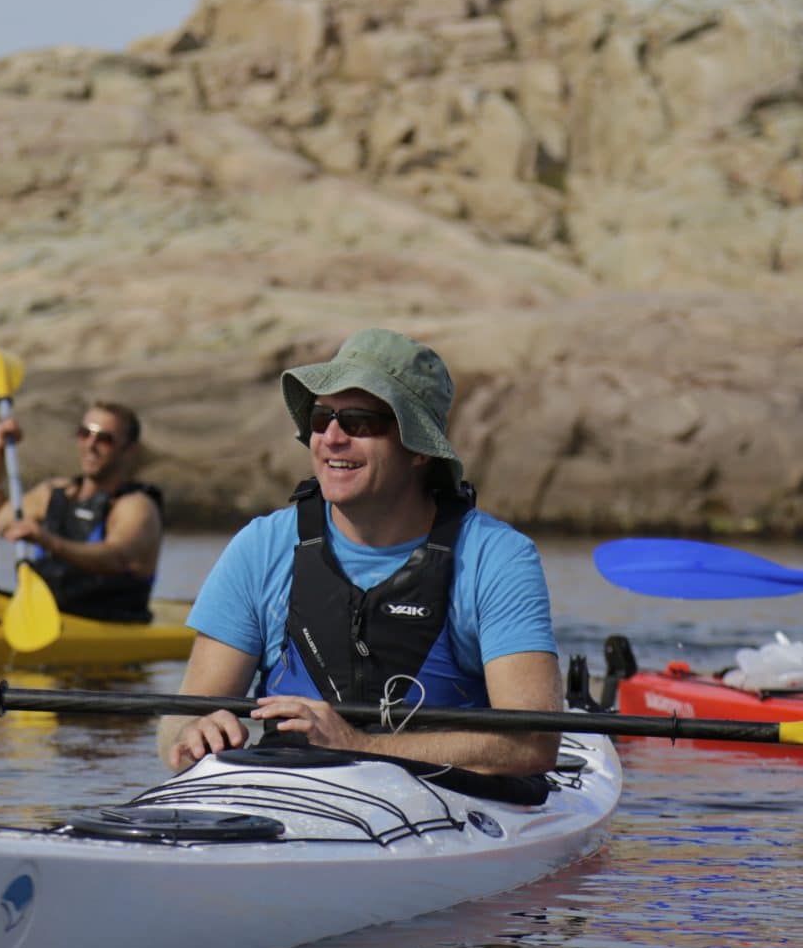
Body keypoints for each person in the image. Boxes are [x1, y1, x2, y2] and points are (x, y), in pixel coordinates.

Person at [156, 328, 562, 777]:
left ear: (419, 449)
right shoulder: (261, 546)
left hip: (446, 803)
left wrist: (360, 745)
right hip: (283, 793)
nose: (331, 438)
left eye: (360, 423)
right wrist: (190, 734)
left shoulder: (496, 557)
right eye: (320, 417)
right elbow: (181, 717)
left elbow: (533, 744)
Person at [0, 400, 164, 623]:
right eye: (85, 433)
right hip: (46, 618)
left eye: (105, 439)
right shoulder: (53, 494)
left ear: (129, 449)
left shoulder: (136, 507)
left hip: (112, 621)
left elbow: (115, 559)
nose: (91, 444)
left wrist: (48, 541)